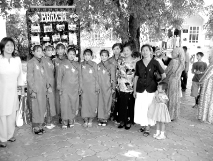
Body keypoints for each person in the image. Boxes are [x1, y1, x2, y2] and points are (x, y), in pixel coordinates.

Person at [134, 44, 166, 137]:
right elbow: (136, 77)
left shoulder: (155, 62)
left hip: (151, 90)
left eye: (146, 50)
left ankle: (147, 127)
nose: (144, 52)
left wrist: (157, 85)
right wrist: (134, 91)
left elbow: (163, 75)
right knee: (141, 108)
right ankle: (143, 124)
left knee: (149, 108)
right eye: (143, 50)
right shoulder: (138, 63)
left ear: (150, 51)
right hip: (140, 89)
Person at [0, 37, 24, 147]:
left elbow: (20, 77)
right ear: (3, 47)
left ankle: (10, 135)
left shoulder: (17, 60)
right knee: (2, 114)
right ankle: (2, 138)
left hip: (13, 91)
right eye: (7, 45)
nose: (10, 47)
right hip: (2, 91)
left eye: (12, 45)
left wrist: (22, 90)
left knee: (12, 113)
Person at [27, 45, 50, 135]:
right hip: (35, 91)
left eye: (41, 51)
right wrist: (32, 90)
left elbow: (46, 75)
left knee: (42, 107)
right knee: (35, 108)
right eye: (37, 51)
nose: (40, 53)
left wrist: (48, 86)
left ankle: (40, 125)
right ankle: (35, 127)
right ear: (33, 52)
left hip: (43, 90)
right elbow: (29, 78)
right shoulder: (31, 62)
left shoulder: (42, 62)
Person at [57, 47, 81, 129]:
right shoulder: (62, 64)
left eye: (73, 54)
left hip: (74, 89)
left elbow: (80, 77)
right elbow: (59, 77)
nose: (72, 56)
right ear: (67, 54)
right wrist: (59, 88)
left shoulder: (77, 64)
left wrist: (80, 88)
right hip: (65, 89)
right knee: (64, 105)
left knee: (73, 104)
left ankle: (71, 120)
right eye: (70, 54)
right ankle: (64, 121)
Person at [117, 42, 138, 130]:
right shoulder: (120, 60)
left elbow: (134, 74)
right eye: (124, 50)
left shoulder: (135, 61)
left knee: (129, 104)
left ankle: (128, 121)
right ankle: (122, 120)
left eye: (127, 50)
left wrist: (125, 75)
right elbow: (118, 71)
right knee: (121, 103)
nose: (125, 52)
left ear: (131, 51)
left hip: (130, 85)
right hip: (121, 84)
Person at [164, 47, 185, 121]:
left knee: (169, 96)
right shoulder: (181, 62)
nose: (171, 53)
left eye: (173, 52)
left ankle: (169, 114)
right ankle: (173, 115)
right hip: (177, 81)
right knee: (175, 97)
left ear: (177, 53)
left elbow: (167, 71)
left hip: (171, 80)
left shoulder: (173, 61)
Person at [81, 49, 99, 127]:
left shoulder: (94, 64)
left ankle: (91, 119)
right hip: (84, 87)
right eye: (85, 55)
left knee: (92, 103)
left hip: (92, 87)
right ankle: (85, 119)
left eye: (88, 55)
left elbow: (97, 77)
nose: (87, 56)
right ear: (83, 56)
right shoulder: (81, 64)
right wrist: (80, 87)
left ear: (91, 56)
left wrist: (97, 86)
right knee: (84, 103)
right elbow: (79, 77)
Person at [97, 49, 116, 126]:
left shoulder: (111, 66)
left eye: (105, 56)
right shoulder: (98, 65)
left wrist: (113, 88)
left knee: (107, 102)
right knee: (100, 102)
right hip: (99, 87)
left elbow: (113, 78)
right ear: (100, 56)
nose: (104, 57)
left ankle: (105, 118)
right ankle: (100, 118)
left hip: (107, 87)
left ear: (108, 56)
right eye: (102, 55)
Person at [42, 45, 56, 129]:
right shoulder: (43, 61)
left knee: (50, 103)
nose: (50, 52)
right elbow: (45, 75)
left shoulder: (50, 61)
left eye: (51, 50)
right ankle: (47, 122)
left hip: (52, 84)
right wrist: (48, 86)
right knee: (48, 103)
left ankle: (49, 121)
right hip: (48, 85)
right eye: (48, 50)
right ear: (44, 51)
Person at [108, 43, 123, 124]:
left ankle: (120, 115)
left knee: (120, 99)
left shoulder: (123, 59)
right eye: (114, 49)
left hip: (122, 82)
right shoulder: (110, 60)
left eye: (117, 48)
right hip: (112, 82)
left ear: (120, 49)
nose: (115, 50)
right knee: (112, 99)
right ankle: (112, 114)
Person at [198, 49, 213, 124]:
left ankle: (206, 117)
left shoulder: (212, 66)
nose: (209, 58)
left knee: (207, 101)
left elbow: (206, 76)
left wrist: (200, 81)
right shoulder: (210, 65)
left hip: (209, 86)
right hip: (208, 86)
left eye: (210, 57)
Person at [52, 43, 66, 123]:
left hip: (66, 84)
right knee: (58, 101)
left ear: (64, 50)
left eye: (62, 49)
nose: (60, 51)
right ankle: (60, 115)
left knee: (65, 100)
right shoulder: (54, 61)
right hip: (57, 84)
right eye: (58, 49)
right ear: (56, 51)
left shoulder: (67, 60)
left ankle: (66, 115)